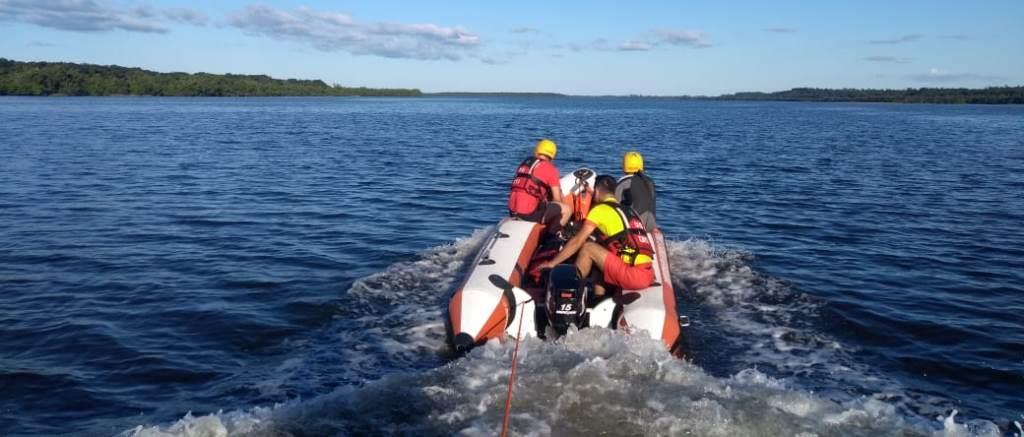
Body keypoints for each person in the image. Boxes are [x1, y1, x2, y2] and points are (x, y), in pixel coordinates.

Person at [538, 175, 655, 295]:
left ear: (597, 191)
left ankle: (570, 290)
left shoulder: (600, 210)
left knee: (588, 248)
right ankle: (598, 297)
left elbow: (577, 241)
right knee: (599, 251)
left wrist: (552, 263)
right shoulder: (629, 211)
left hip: (632, 275)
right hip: (648, 272)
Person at [508, 139, 572, 230]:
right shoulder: (551, 169)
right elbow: (557, 199)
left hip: (512, 211)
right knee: (566, 209)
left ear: (537, 150)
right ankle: (552, 236)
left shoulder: (525, 164)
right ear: (552, 155)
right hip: (528, 215)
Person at [615, 151, 657, 231]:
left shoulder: (624, 183)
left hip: (635, 224)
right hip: (652, 225)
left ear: (624, 165)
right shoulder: (650, 182)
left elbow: (614, 204)